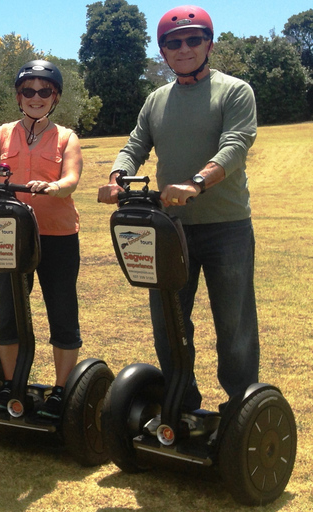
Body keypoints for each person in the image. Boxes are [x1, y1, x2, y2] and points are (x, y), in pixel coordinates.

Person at [97, 5, 259, 413]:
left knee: (234, 326)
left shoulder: (234, 91)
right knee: (169, 323)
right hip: (171, 229)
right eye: (173, 43)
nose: (183, 48)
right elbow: (135, 144)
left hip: (227, 227)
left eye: (192, 40)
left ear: (208, 44)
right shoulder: (156, 100)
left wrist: (196, 183)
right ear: (163, 51)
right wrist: (119, 176)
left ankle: (241, 412)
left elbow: (235, 145)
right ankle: (180, 406)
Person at [0, 60, 84, 420]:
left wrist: (55, 186)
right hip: (10, 235)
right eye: (29, 91)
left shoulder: (66, 137)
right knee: (9, 312)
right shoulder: (3, 133)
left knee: (61, 309)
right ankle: (12, 385)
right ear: (19, 96)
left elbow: (72, 178)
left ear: (55, 96)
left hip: (57, 235)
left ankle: (61, 391)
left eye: (45, 91)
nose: (36, 97)